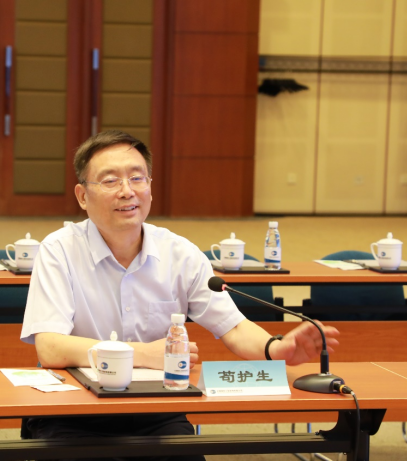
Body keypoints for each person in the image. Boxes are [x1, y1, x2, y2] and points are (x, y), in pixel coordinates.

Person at [20, 130, 339, 457]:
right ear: (83, 196)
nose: (127, 191)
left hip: (155, 409)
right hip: (74, 408)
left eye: (137, 178)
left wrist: (276, 349)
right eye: (111, 181)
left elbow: (233, 327)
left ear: (150, 187)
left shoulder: (180, 253)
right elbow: (50, 347)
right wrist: (142, 355)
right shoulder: (59, 250)